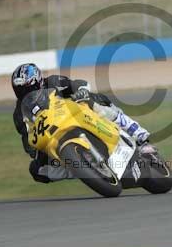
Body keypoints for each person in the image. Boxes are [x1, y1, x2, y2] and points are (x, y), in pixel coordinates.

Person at [11, 63, 156, 183]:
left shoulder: (54, 82)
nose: (25, 94)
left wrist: (81, 92)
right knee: (36, 170)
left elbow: (78, 84)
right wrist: (34, 150)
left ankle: (140, 136)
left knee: (96, 99)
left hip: (76, 114)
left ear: (39, 81)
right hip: (53, 138)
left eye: (28, 89)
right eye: (20, 91)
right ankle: (85, 171)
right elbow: (27, 141)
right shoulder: (19, 114)